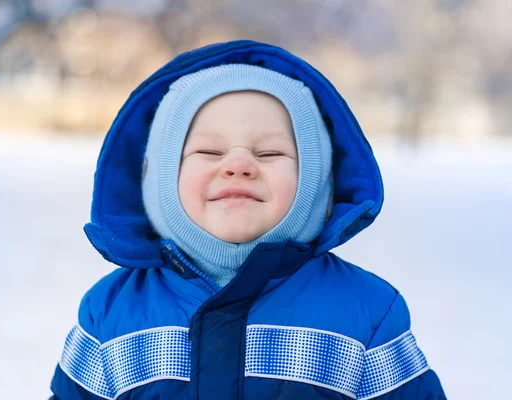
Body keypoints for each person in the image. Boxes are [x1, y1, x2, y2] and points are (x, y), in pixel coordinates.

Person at [49, 40, 447, 399]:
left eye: (270, 154)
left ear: (316, 180)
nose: (238, 165)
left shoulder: (368, 314)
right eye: (208, 152)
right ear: (158, 178)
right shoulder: (112, 312)